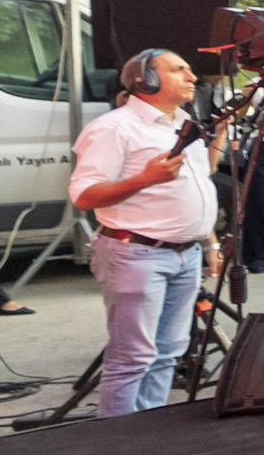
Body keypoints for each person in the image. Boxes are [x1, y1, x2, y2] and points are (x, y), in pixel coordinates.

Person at [67, 50, 221, 416]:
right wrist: (144, 179)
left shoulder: (185, 124)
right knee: (132, 357)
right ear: (146, 81)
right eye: (178, 70)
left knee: (168, 353)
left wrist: (209, 242)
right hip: (135, 254)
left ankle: (149, 429)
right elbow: (83, 196)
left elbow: (198, 188)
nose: (192, 77)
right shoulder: (113, 128)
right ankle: (118, 438)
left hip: (186, 255)